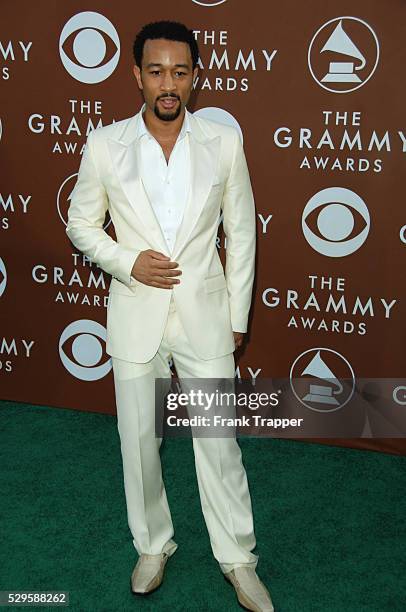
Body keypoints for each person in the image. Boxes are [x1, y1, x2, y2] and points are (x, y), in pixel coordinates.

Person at [66, 20, 273, 612]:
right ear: (136, 75)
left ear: (194, 76)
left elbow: (241, 229)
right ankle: (153, 545)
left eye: (179, 72)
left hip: (204, 316)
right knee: (138, 442)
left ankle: (239, 559)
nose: (167, 83)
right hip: (136, 315)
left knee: (219, 442)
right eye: (155, 71)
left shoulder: (222, 143)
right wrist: (129, 262)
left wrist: (238, 314)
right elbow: (80, 225)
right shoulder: (106, 144)